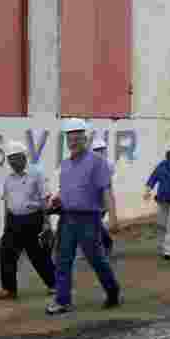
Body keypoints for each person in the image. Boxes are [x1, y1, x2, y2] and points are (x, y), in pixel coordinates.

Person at [45, 118, 124, 315]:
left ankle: (112, 290)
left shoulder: (98, 162)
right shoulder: (65, 165)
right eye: (70, 139)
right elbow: (66, 191)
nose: (73, 142)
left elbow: (106, 191)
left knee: (96, 258)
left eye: (77, 138)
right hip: (67, 218)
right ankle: (63, 300)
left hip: (89, 218)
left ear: (85, 138)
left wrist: (113, 217)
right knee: (63, 259)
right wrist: (57, 201)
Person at [0, 140, 57, 300]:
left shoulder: (36, 174)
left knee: (38, 255)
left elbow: (45, 199)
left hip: (34, 219)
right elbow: (7, 202)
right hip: (13, 221)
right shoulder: (8, 179)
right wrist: (6, 223)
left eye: (16, 158)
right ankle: (9, 289)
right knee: (6, 252)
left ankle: (54, 284)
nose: (13, 162)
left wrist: (47, 223)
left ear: (24, 157)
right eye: (10, 159)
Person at [90, 137, 117, 254]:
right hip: (91, 199)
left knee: (95, 223)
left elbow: (107, 185)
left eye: (102, 149)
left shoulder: (108, 164)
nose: (100, 152)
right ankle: (105, 242)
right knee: (94, 223)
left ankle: (104, 244)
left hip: (103, 199)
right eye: (97, 150)